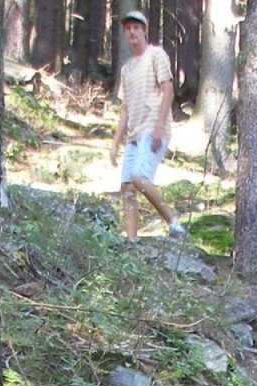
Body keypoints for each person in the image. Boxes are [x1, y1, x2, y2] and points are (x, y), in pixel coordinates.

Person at [111, 10, 185, 241]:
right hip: (133, 134)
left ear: (144, 30)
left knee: (140, 177)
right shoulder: (126, 68)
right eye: (128, 28)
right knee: (127, 188)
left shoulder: (156, 55)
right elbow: (124, 108)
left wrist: (158, 126)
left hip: (153, 128)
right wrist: (115, 143)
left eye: (136, 27)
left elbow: (168, 90)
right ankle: (131, 241)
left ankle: (175, 224)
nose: (132, 32)